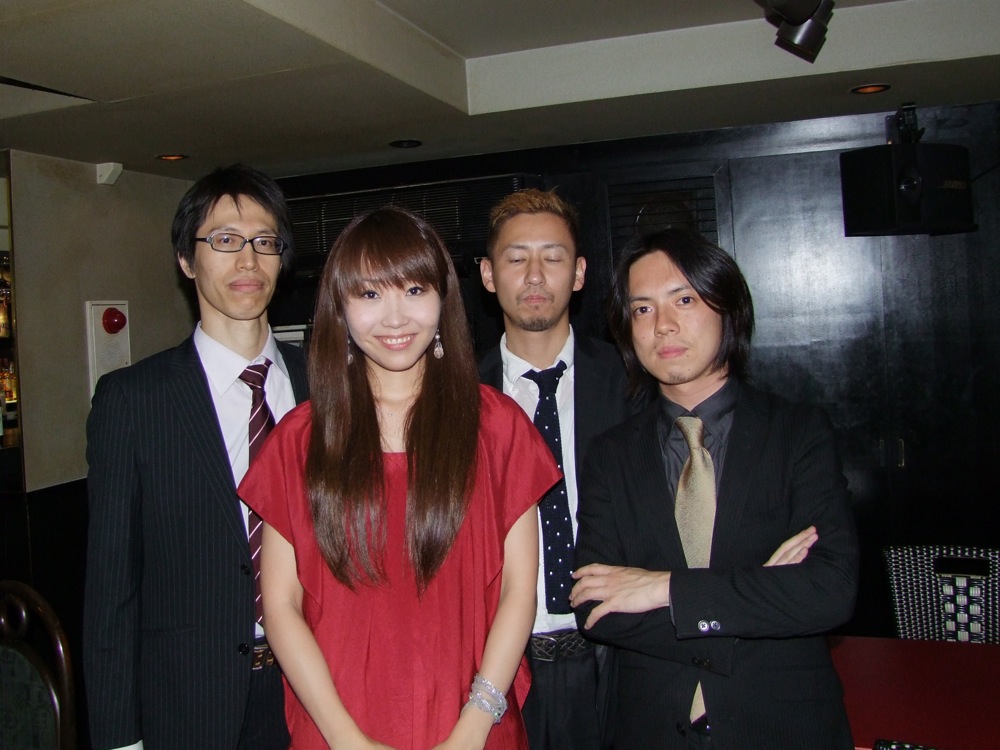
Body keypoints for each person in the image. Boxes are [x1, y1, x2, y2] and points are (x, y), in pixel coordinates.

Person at [238, 206, 559, 749]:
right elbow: (281, 606)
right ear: (340, 307)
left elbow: (517, 592)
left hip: (475, 725)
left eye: (413, 290)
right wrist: (347, 739)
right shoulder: (298, 440)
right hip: (336, 730)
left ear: (442, 299)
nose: (395, 317)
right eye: (369, 294)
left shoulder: (498, 427)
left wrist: (472, 729)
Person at [569, 227, 858, 749]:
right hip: (648, 731)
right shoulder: (610, 454)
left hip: (782, 728)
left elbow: (829, 591)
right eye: (642, 309)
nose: (663, 324)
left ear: (729, 307)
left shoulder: (798, 434)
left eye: (684, 299)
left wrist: (665, 589)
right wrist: (757, 595)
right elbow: (595, 606)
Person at [84, 164, 308, 750]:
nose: (248, 260)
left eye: (264, 242)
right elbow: (111, 590)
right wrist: (119, 739)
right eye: (225, 240)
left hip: (316, 693)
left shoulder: (327, 386)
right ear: (187, 259)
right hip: (189, 702)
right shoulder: (134, 400)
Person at [478, 188, 636, 750]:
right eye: (516, 258)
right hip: (502, 666)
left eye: (553, 257)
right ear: (488, 274)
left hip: (618, 659)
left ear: (580, 272)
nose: (535, 275)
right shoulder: (456, 399)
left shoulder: (632, 383)